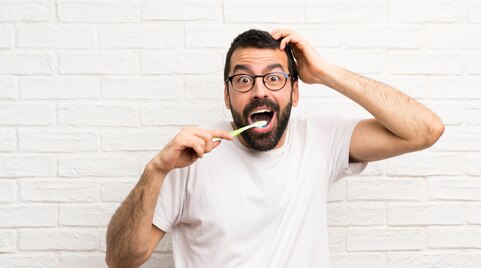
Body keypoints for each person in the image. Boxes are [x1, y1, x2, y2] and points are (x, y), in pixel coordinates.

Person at [105, 29, 444, 268]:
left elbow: (425, 131)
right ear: (227, 96)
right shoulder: (189, 158)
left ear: (295, 92)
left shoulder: (321, 140)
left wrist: (325, 72)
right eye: (243, 79)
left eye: (274, 77)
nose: (259, 91)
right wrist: (156, 171)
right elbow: (121, 260)